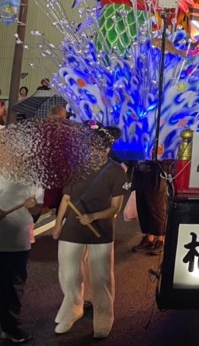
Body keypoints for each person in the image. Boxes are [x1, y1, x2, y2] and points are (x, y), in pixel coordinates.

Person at [52, 129, 131, 338]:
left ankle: (104, 318)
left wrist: (94, 216)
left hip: (101, 231)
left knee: (101, 276)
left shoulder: (116, 171)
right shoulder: (76, 167)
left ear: (107, 149)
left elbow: (115, 207)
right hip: (73, 228)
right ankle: (73, 308)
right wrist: (58, 223)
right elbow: (66, 198)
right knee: (68, 274)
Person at [0, 168, 44, 344]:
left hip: (18, 243)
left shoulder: (35, 175)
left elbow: (37, 209)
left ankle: (10, 329)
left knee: (13, 290)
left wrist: (34, 207)